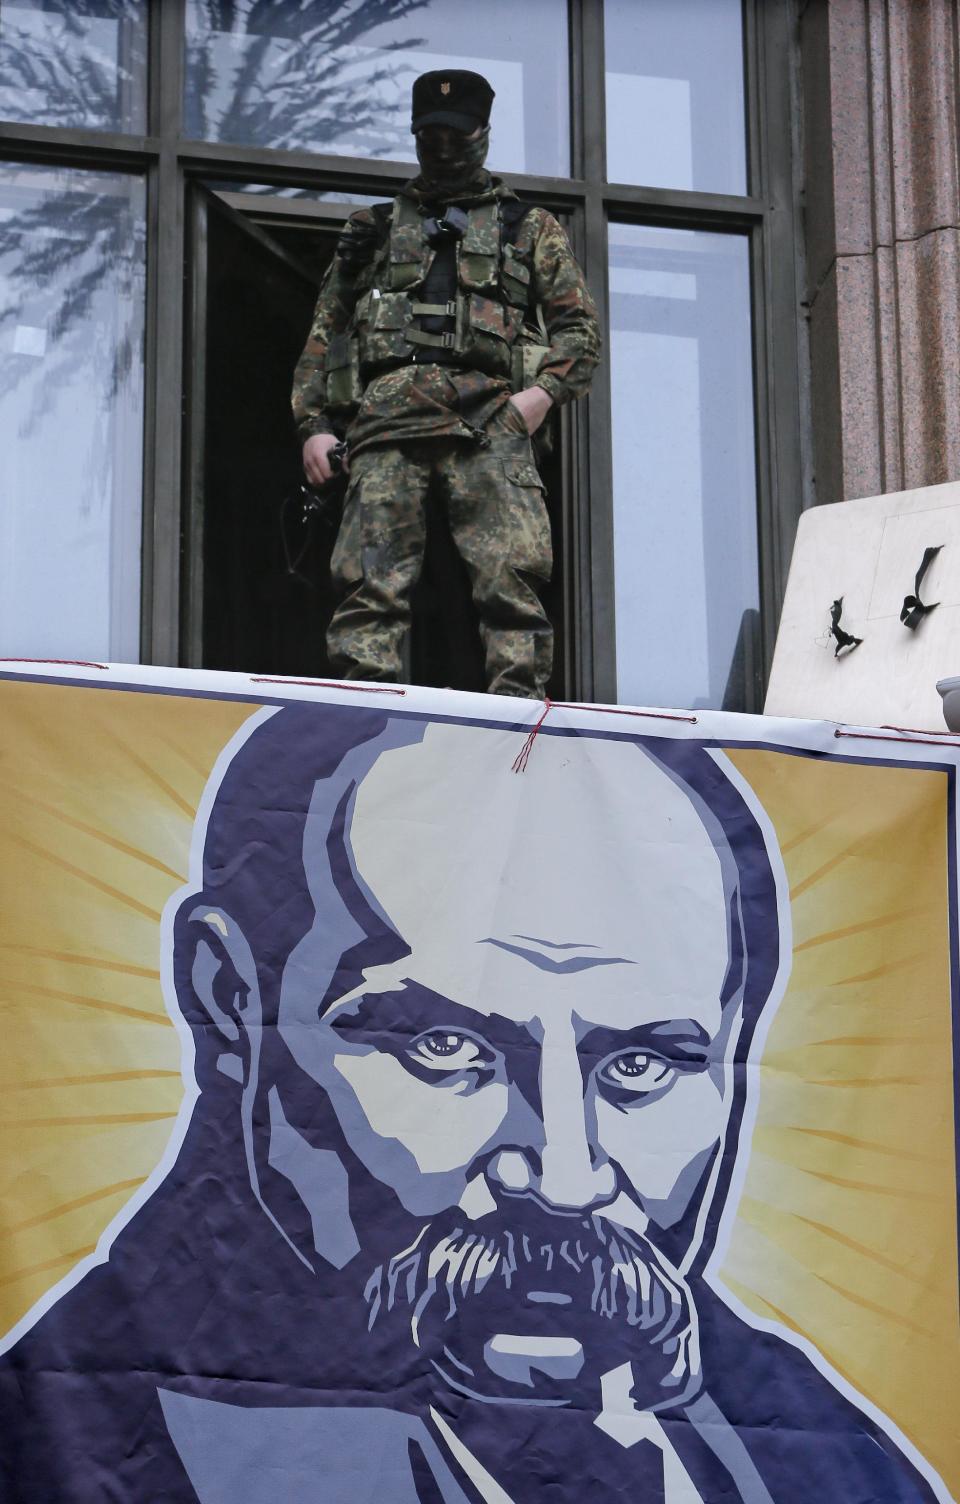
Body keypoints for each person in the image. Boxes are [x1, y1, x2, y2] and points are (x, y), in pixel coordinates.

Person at [0, 706, 943, 1504]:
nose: (567, 1178)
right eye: (447, 1049)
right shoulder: (60, 1432)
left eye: (644, 1066)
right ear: (231, 1000)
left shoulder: (825, 1451)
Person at [291, 70, 601, 698]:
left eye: (457, 133)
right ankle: (362, 711)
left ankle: (519, 724)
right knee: (368, 586)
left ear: (483, 132)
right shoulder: (371, 229)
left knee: (509, 580)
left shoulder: (528, 227)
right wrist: (314, 428)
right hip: (383, 429)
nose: (444, 147)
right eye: (431, 134)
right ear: (415, 135)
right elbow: (324, 339)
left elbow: (581, 337)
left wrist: (535, 401)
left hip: (489, 427)